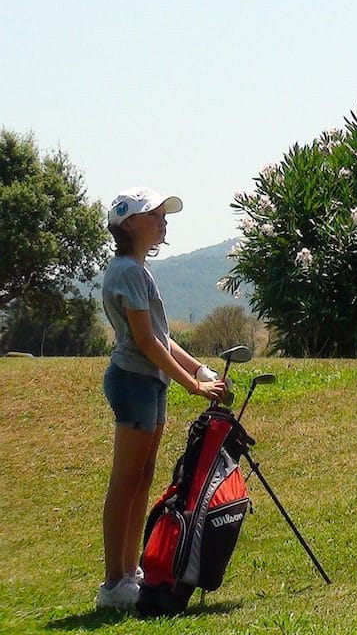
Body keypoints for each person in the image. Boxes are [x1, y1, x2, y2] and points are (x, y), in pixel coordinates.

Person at [97, 187, 228, 609]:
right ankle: (113, 583)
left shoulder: (136, 270)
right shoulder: (130, 273)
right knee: (126, 482)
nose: (163, 221)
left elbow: (161, 337)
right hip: (135, 382)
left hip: (149, 383)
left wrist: (198, 368)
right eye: (154, 215)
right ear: (129, 224)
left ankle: (128, 572)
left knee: (142, 479)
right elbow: (146, 342)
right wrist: (194, 386)